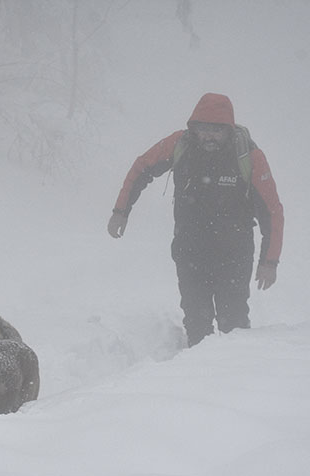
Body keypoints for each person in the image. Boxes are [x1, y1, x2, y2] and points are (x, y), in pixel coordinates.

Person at [107, 93, 284, 347]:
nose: (208, 136)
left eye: (216, 130)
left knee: (233, 325)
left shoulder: (249, 157)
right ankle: (197, 382)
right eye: (203, 129)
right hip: (190, 252)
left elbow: (273, 211)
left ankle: (236, 379)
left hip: (234, 255)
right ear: (194, 128)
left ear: (228, 130)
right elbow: (141, 167)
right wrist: (120, 211)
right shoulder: (180, 145)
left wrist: (270, 261)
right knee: (197, 324)